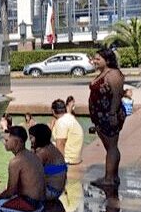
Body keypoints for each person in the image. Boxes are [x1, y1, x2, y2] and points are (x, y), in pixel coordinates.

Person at [88, 48, 126, 186]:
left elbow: (117, 95)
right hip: (101, 116)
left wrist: (112, 114)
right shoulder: (103, 73)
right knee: (111, 147)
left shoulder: (113, 74)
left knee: (112, 147)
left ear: (107, 60)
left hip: (109, 115)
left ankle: (109, 179)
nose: (95, 61)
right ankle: (113, 176)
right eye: (94, 58)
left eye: (98, 59)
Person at [28, 124, 68, 201]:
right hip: (57, 190)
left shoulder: (43, 152)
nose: (30, 141)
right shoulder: (50, 147)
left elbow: (30, 170)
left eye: (31, 138)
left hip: (51, 192)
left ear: (38, 138)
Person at [51, 99, 84, 165]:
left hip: (68, 159)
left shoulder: (61, 122)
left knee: (42, 147)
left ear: (53, 111)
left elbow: (60, 143)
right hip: (75, 157)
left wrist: (60, 163)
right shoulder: (69, 117)